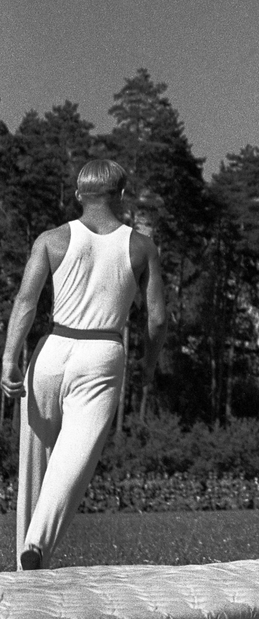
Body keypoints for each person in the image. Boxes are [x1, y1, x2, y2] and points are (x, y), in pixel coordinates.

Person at [1, 159, 167, 570]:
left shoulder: (51, 239)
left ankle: (26, 563)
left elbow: (25, 301)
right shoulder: (141, 246)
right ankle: (37, 544)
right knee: (73, 459)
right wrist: (148, 365)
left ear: (79, 194)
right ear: (121, 195)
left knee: (35, 464)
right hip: (101, 354)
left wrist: (8, 359)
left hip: (50, 351)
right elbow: (157, 319)